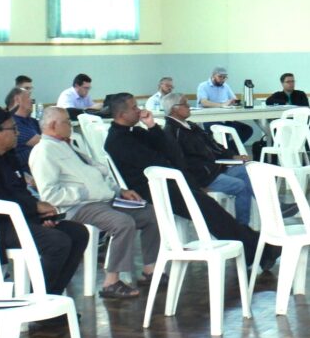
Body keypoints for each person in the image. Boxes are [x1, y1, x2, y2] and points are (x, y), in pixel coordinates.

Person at [104, 93, 277, 270]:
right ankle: (258, 249)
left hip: (169, 183)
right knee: (210, 212)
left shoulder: (137, 132)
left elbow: (170, 151)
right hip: (152, 190)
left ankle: (257, 250)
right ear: (121, 114)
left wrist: (152, 126)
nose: (140, 110)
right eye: (134, 108)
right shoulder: (117, 141)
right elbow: (156, 161)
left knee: (212, 210)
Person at [30, 106, 160, 299]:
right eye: (66, 121)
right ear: (52, 125)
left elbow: (97, 174)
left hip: (105, 198)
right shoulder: (43, 152)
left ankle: (150, 269)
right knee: (122, 223)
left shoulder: (68, 144)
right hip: (80, 206)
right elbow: (50, 195)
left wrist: (120, 191)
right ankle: (111, 282)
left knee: (150, 213)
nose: (70, 125)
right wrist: (84, 192)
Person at [0, 107, 90, 295]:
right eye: (13, 129)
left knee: (78, 232)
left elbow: (20, 192)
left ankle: (51, 294)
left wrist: (39, 215)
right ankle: (38, 298)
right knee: (58, 242)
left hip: (21, 218)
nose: (17, 133)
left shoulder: (7, 156)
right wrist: (35, 207)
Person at [162, 91, 288, 225]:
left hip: (215, 168)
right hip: (202, 177)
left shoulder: (191, 126)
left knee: (252, 171)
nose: (189, 106)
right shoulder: (171, 133)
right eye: (185, 104)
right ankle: (242, 227)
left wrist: (232, 156)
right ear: (174, 109)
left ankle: (275, 209)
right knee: (240, 185)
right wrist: (195, 186)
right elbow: (180, 164)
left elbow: (213, 145)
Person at [196, 66, 255, 155]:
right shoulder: (203, 86)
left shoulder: (225, 86)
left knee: (247, 130)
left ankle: (229, 151)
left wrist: (234, 102)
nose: (222, 80)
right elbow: (204, 102)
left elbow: (233, 99)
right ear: (213, 76)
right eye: (220, 77)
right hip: (209, 119)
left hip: (225, 118)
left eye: (224, 77)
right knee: (225, 131)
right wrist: (222, 105)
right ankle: (225, 153)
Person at [5, 86, 41, 169]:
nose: (32, 100)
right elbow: (44, 142)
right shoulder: (12, 123)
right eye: (28, 96)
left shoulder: (32, 121)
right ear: (17, 100)